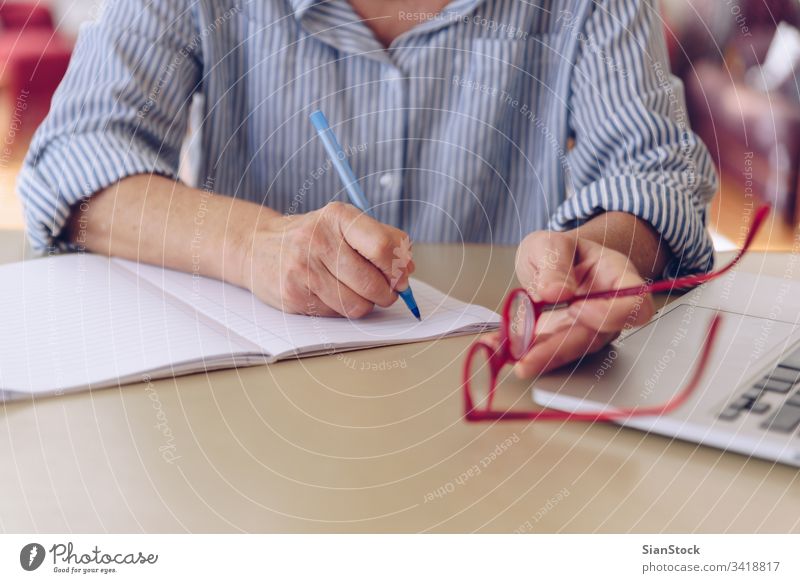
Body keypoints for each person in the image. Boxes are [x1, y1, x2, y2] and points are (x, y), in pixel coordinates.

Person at [17, 0, 717, 379]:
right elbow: (74, 161)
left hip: (505, 403)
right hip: (245, 406)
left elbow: (653, 172)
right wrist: (255, 243)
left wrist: (592, 251)